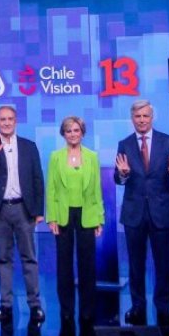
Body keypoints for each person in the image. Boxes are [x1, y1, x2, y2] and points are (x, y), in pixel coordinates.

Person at [114, 100, 169, 327]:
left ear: (151, 117)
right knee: (135, 264)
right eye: (138, 116)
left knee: (163, 263)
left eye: (145, 116)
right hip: (134, 213)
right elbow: (118, 177)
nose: (142, 120)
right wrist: (123, 174)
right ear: (132, 119)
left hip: (161, 212)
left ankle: (163, 308)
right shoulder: (124, 144)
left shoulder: (167, 141)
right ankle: (137, 307)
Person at [0, 105, 45, 324]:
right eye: (2, 119)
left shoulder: (28, 146)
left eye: (10, 119)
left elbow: (37, 178)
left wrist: (39, 211)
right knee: (3, 258)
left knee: (29, 258)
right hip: (0, 210)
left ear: (16, 121)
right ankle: (5, 305)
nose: (6, 123)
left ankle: (35, 305)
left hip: (24, 209)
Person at [46, 116, 104, 325]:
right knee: (64, 264)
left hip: (87, 215)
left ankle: (87, 309)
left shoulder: (92, 156)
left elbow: (96, 189)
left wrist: (99, 218)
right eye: (69, 131)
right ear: (63, 134)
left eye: (76, 130)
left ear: (82, 133)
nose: (73, 134)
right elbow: (51, 189)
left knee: (87, 264)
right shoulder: (55, 157)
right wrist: (51, 217)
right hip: (63, 215)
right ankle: (67, 309)